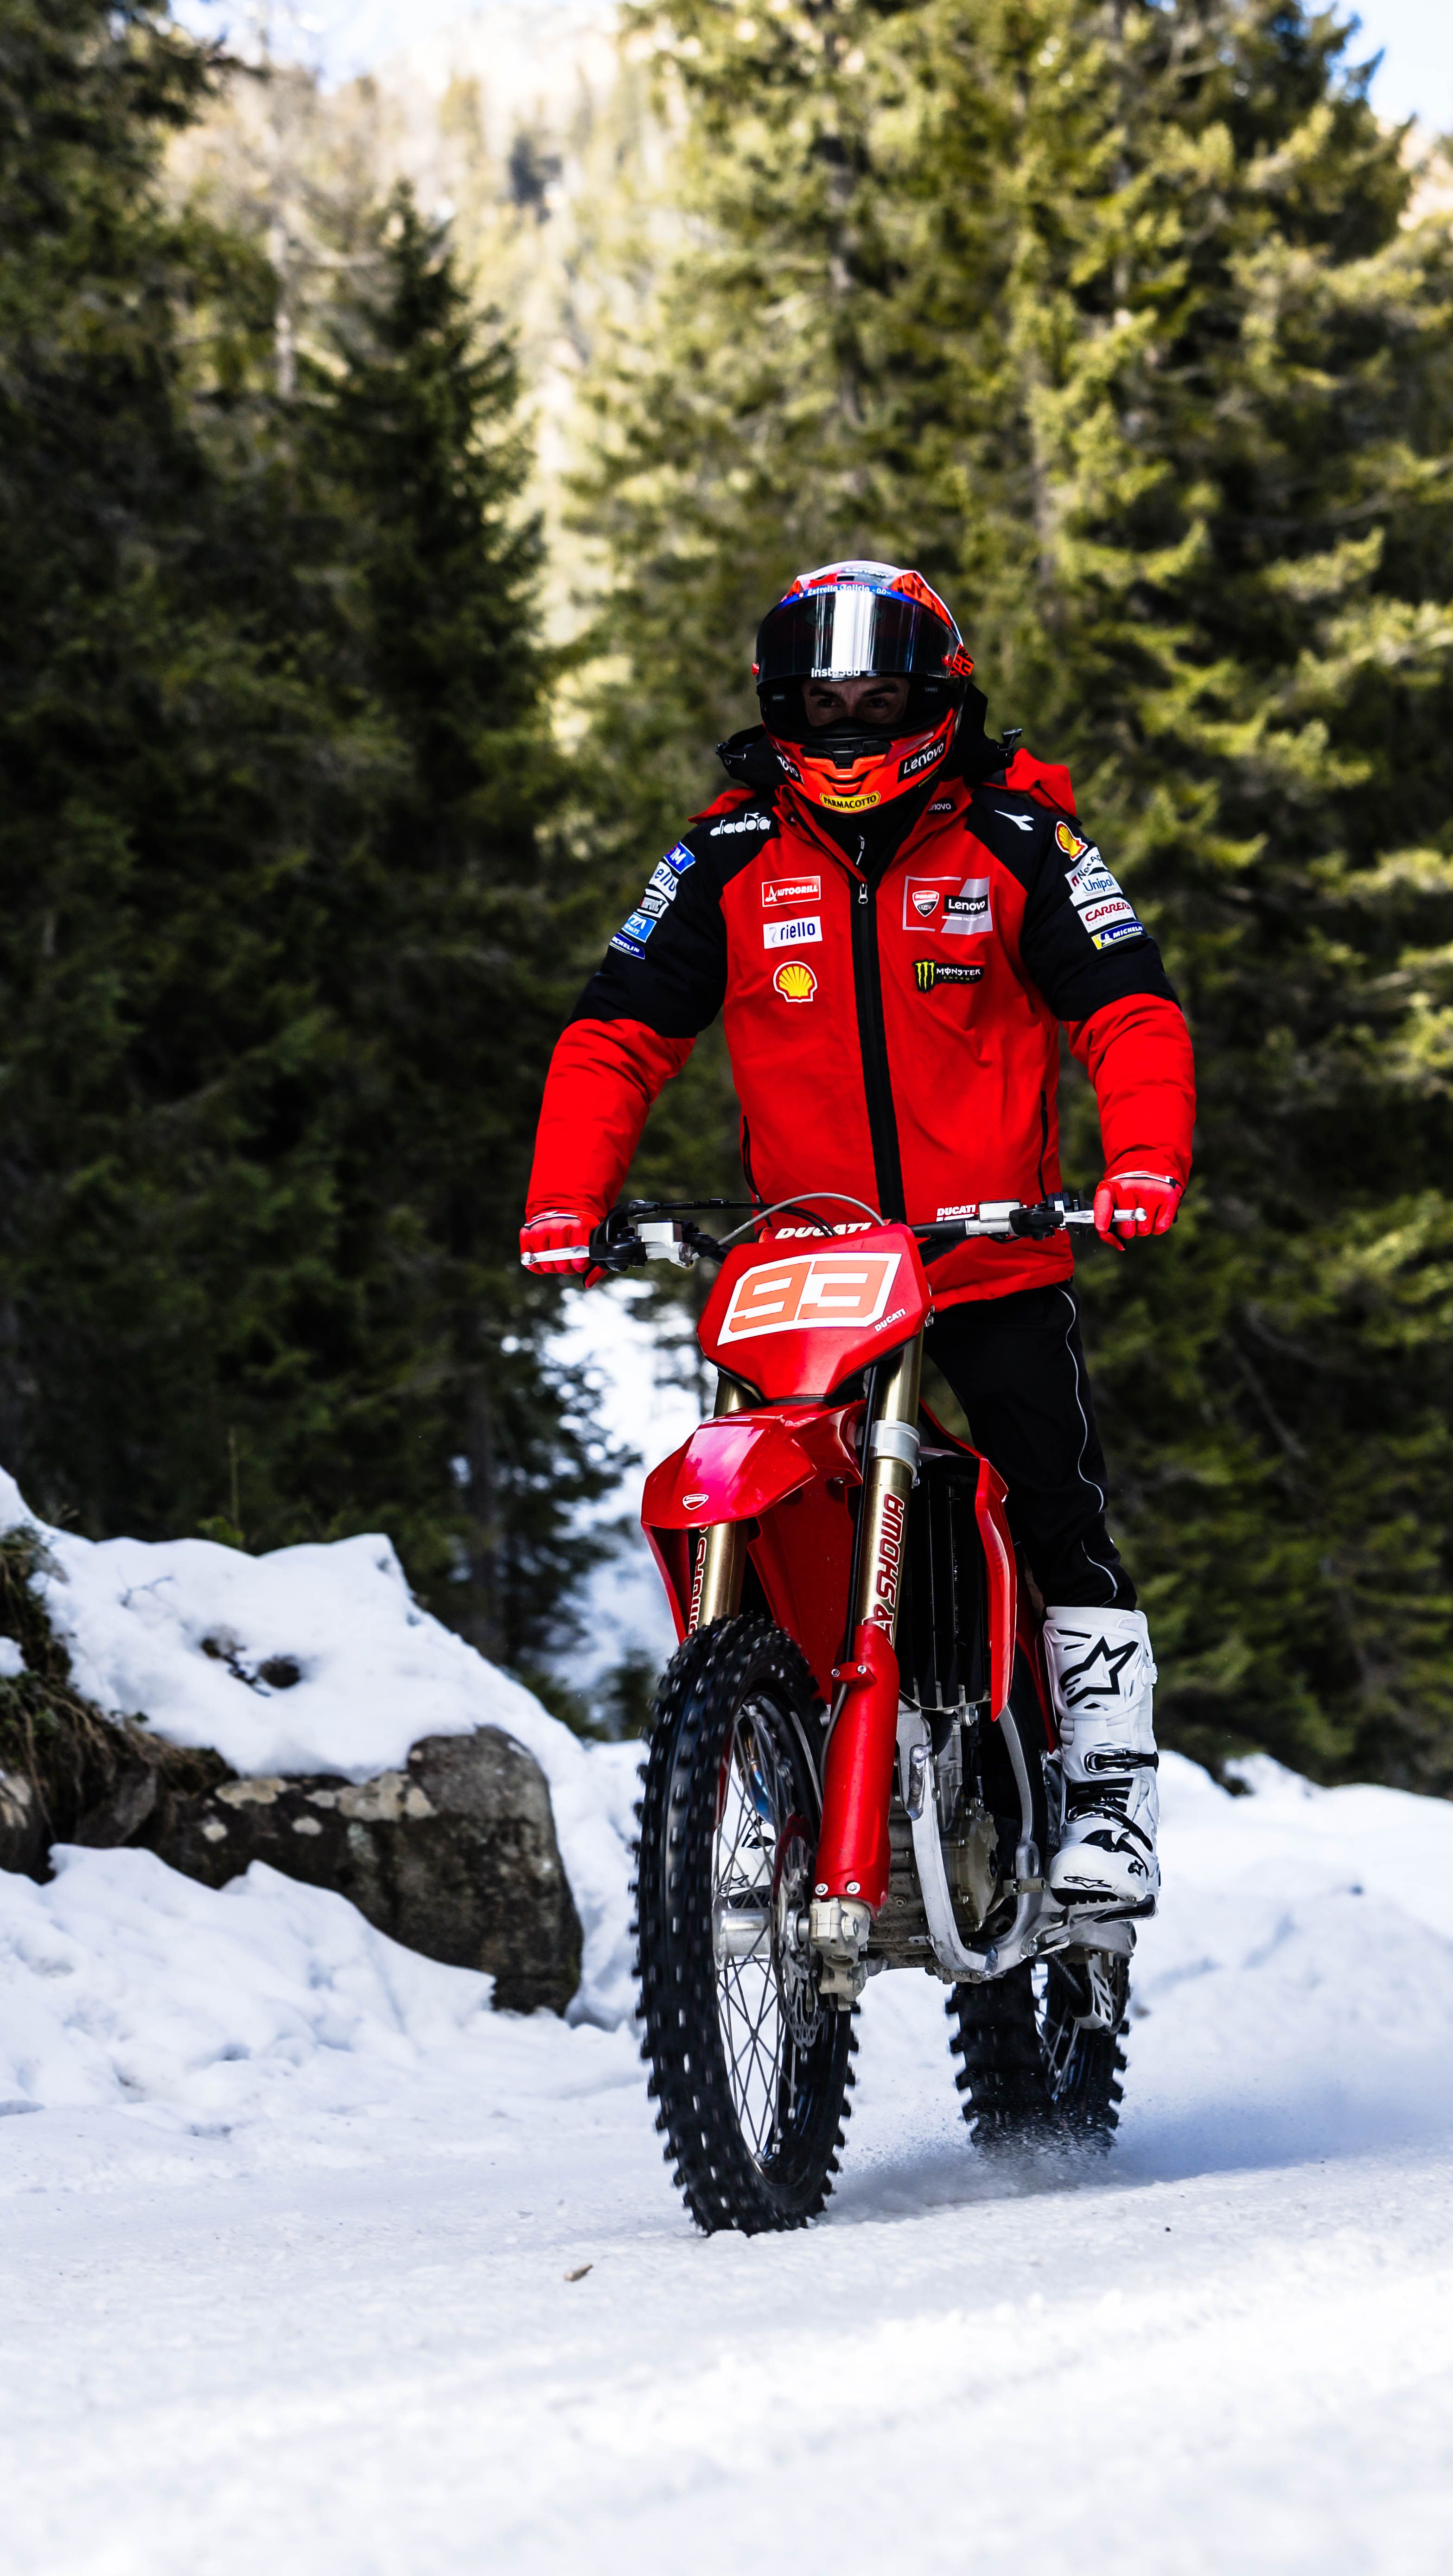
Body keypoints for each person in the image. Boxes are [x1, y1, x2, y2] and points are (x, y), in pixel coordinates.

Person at [519, 561, 1194, 1914]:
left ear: (937, 695)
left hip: (991, 1247)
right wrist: (562, 1199)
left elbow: (1128, 1009)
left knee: (1056, 1509)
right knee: (766, 1507)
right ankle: (771, 1743)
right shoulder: (724, 854)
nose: (846, 727)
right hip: (808, 1267)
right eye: (818, 702)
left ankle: (1111, 1796)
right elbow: (616, 1036)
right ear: (777, 706)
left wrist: (1142, 1164)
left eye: (876, 697)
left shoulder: (1021, 840)